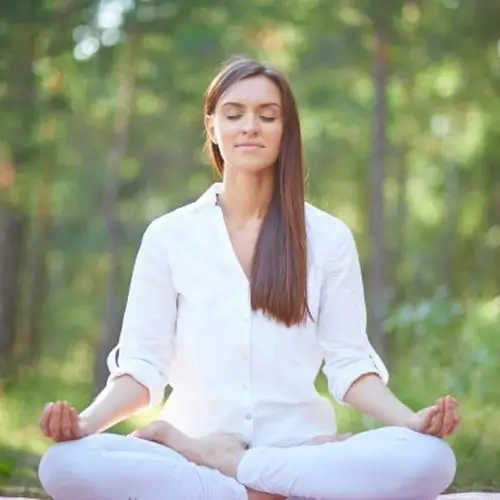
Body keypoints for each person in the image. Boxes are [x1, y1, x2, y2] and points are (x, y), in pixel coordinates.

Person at [37, 57, 460, 500]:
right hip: (187, 448)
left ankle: (235, 470)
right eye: (234, 114)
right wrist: (84, 424)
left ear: (286, 129)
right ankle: (271, 491)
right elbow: (142, 369)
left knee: (430, 459)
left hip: (297, 449)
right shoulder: (169, 236)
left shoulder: (328, 238)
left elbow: (349, 365)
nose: (250, 126)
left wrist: (411, 422)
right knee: (65, 465)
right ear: (213, 127)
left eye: (267, 115)